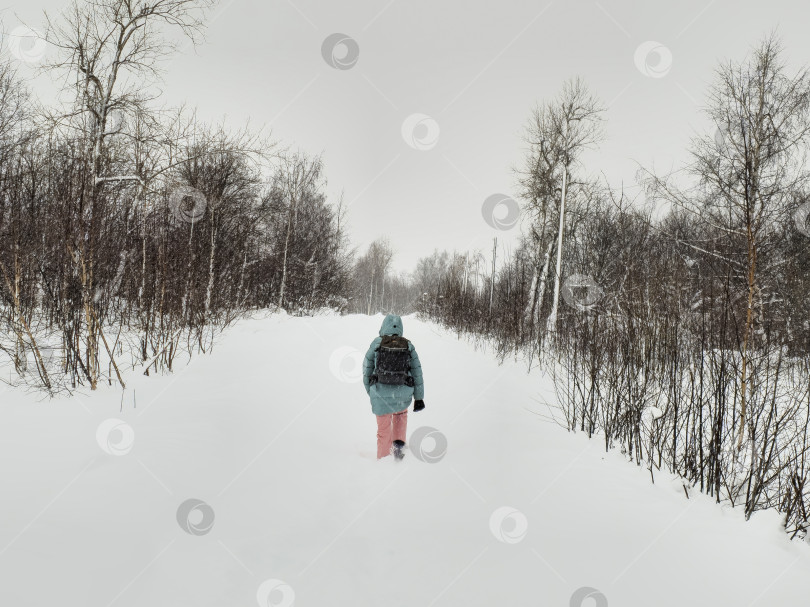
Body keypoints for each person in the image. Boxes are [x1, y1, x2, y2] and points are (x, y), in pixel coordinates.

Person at [362, 314, 425, 459]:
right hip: (402, 394)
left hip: (380, 394)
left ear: (383, 327)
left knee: (383, 431)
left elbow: (366, 367)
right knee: (400, 416)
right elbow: (417, 373)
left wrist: (370, 391)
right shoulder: (408, 345)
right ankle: (398, 454)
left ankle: (383, 461)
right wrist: (419, 397)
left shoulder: (377, 343)